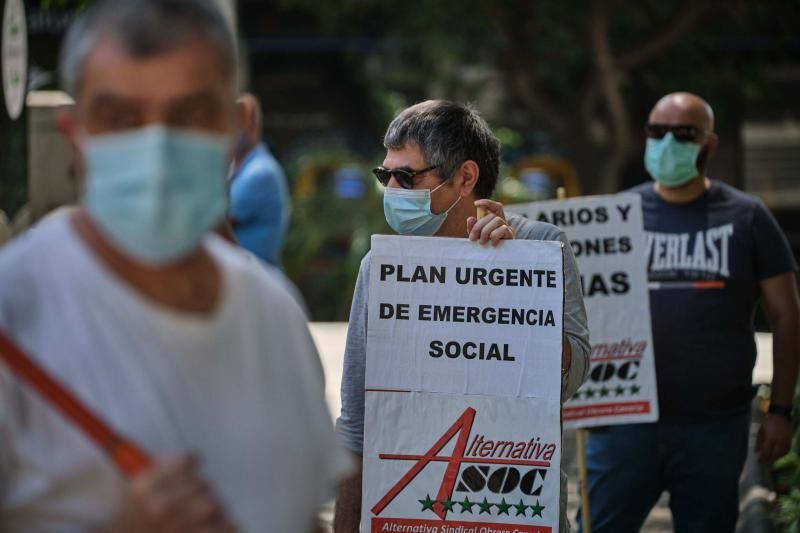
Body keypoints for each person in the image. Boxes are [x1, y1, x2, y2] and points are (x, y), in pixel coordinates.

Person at [0, 1, 348, 531]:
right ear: (75, 132)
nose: (157, 147)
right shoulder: (15, 309)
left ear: (233, 130)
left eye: (188, 116)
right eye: (121, 118)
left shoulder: (272, 312)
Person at [333, 100, 591, 533]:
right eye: (386, 175)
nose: (392, 189)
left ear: (465, 178)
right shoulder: (380, 270)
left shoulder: (539, 246)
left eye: (407, 176)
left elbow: (574, 371)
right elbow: (357, 420)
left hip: (509, 507)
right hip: (410, 511)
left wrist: (514, 274)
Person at [578, 92, 800, 533]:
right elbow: (574, 301)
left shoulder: (747, 216)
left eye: (683, 134)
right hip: (625, 422)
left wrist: (780, 410)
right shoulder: (617, 215)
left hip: (713, 427)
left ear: (709, 144)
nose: (667, 143)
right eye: (657, 132)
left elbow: (788, 316)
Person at [228, 92, 290, 266]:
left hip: (258, 276)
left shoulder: (261, 172)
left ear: (254, 125)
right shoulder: (238, 170)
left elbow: (214, 221)